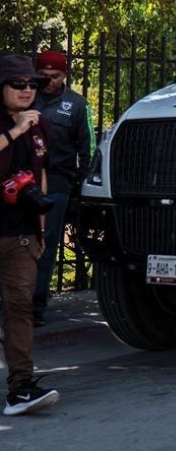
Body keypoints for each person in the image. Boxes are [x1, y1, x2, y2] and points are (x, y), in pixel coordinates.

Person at [0, 54, 60, 415]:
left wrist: (40, 230)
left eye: (32, 84)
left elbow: (40, 175)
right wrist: (14, 131)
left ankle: (21, 388)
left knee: (20, 307)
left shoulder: (42, 125)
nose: (27, 91)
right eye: (18, 84)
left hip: (21, 233)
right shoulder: (20, 125)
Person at [31, 50, 93, 327]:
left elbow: (87, 147)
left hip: (57, 182)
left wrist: (81, 183)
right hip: (24, 181)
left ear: (64, 75)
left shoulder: (76, 104)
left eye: (54, 77)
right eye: (43, 77)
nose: (48, 82)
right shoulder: (26, 98)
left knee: (45, 245)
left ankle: (36, 306)